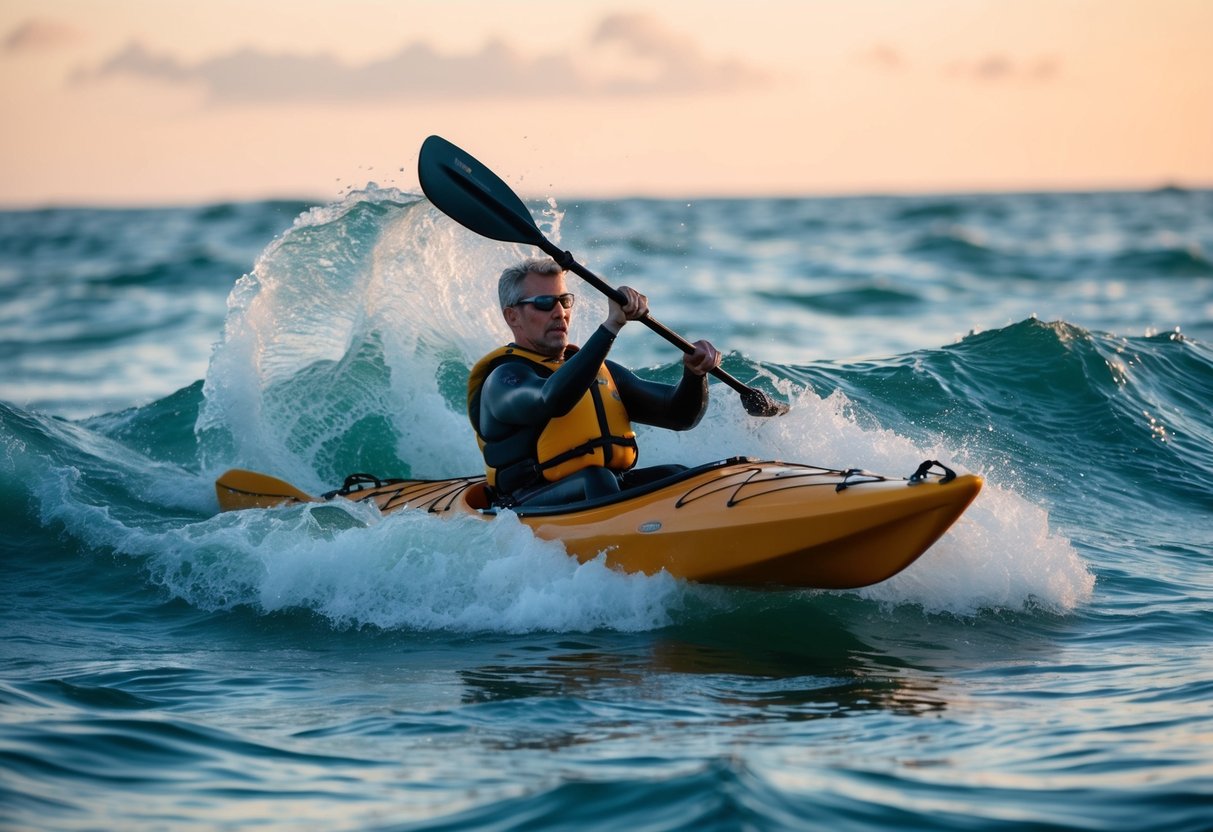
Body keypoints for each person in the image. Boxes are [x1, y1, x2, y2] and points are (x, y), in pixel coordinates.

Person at [467, 257, 722, 507]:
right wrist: (611, 325)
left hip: (604, 489)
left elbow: (679, 415)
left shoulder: (599, 372)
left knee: (678, 475)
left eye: (564, 301)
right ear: (512, 316)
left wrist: (694, 374)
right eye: (544, 303)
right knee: (596, 479)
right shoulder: (503, 380)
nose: (560, 313)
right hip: (526, 501)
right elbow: (551, 399)